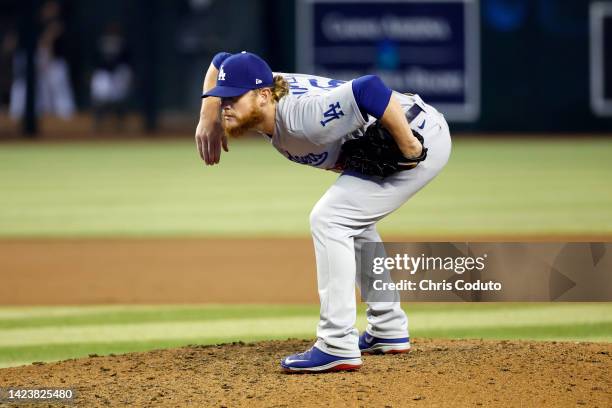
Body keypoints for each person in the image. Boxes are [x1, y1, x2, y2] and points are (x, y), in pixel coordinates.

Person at [194, 51, 451, 373]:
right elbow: (221, 60)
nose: (225, 105)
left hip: (415, 135)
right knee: (352, 222)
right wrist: (207, 115)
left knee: (330, 219)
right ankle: (387, 329)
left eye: (232, 98)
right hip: (405, 124)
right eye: (222, 98)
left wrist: (410, 146)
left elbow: (369, 89)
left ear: (262, 96)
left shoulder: (303, 117)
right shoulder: (260, 87)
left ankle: (337, 344)